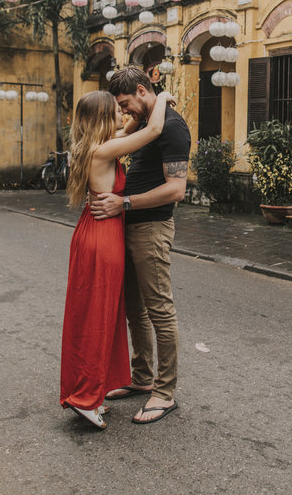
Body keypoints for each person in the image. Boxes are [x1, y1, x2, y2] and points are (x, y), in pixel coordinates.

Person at [60, 89, 175, 429]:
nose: (121, 117)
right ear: (101, 119)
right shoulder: (103, 151)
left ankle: (90, 392)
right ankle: (85, 398)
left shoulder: (91, 147)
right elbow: (152, 132)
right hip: (103, 237)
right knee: (98, 318)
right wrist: (165, 96)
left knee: (98, 317)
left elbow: (133, 127)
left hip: (93, 233)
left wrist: (141, 107)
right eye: (115, 111)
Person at [91, 67, 191, 425]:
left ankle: (164, 393)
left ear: (140, 90)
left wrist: (126, 203)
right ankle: (142, 378)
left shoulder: (173, 126)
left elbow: (176, 190)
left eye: (125, 104)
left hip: (151, 227)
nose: (124, 112)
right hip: (127, 227)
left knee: (160, 310)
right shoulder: (147, 121)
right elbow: (122, 133)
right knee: (135, 309)